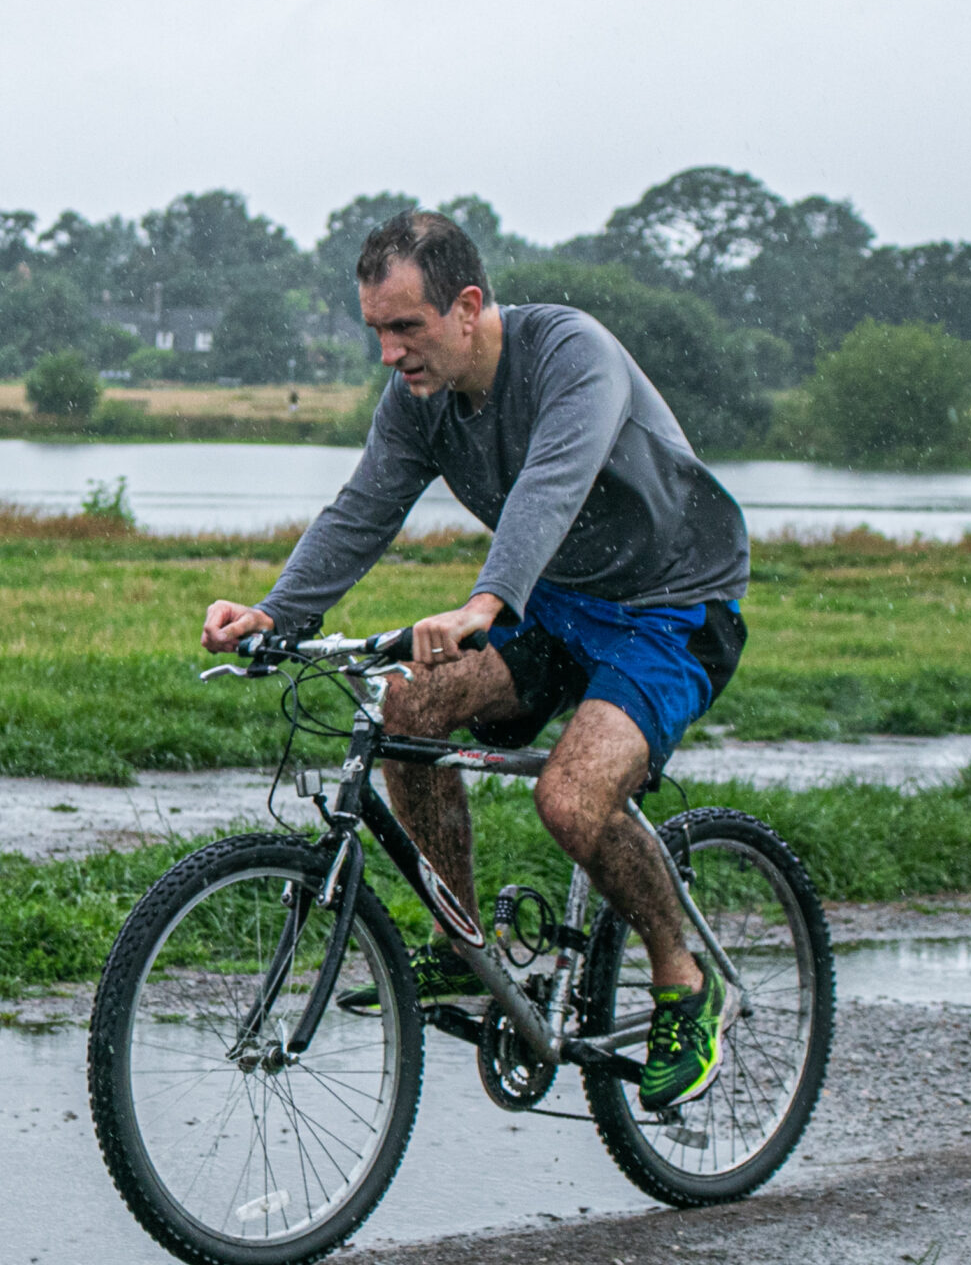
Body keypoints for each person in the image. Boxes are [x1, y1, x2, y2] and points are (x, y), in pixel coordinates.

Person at [200, 211, 749, 1111]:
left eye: (406, 328)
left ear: (467, 307)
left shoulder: (572, 355)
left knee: (572, 800)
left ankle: (684, 981)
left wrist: (486, 603)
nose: (389, 352)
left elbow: (552, 483)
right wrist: (274, 611)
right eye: (376, 330)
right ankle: (467, 947)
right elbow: (365, 506)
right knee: (407, 709)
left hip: (673, 604)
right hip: (563, 602)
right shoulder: (418, 401)